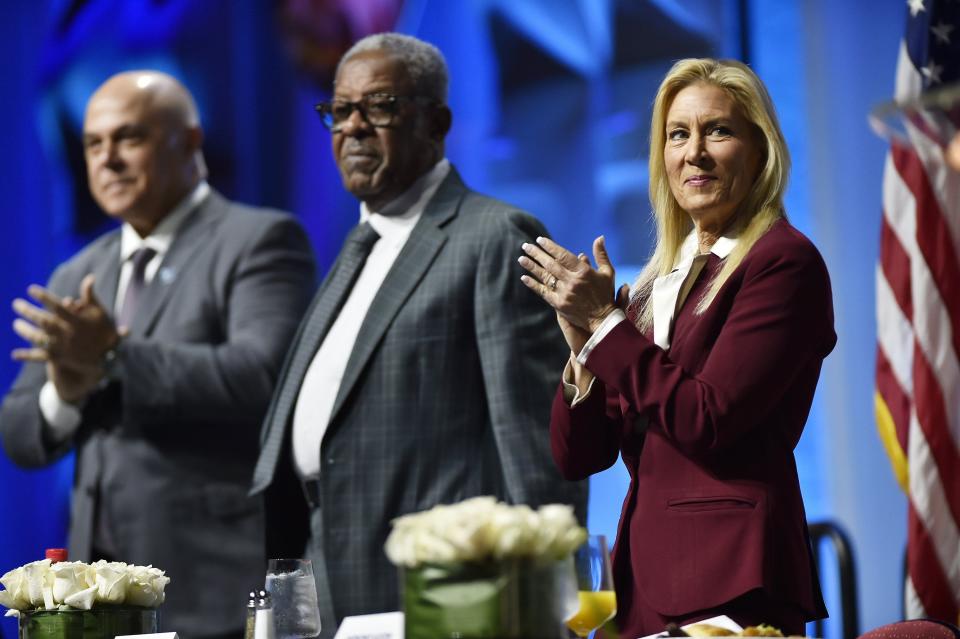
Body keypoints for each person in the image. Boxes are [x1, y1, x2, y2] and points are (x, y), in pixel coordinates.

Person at [250, 32, 587, 637]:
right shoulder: (354, 251)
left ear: (436, 122)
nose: (353, 127)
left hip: (441, 596)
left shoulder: (493, 237)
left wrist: (548, 607)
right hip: (330, 586)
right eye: (340, 110)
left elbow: (536, 447)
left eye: (378, 107)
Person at [520, 58, 834, 636]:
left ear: (759, 149)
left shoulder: (782, 263)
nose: (694, 153)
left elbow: (706, 418)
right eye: (677, 134)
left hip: (731, 578)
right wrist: (583, 351)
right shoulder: (655, 283)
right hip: (641, 584)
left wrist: (607, 327)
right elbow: (579, 457)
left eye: (718, 131)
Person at [0, 71, 316, 639]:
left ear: (190, 143)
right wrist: (65, 395)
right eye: (94, 144)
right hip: (95, 596)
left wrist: (116, 356)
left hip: (209, 586)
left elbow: (265, 378)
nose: (108, 159)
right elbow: (21, 435)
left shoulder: (258, 239)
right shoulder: (78, 271)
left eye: (129, 138)